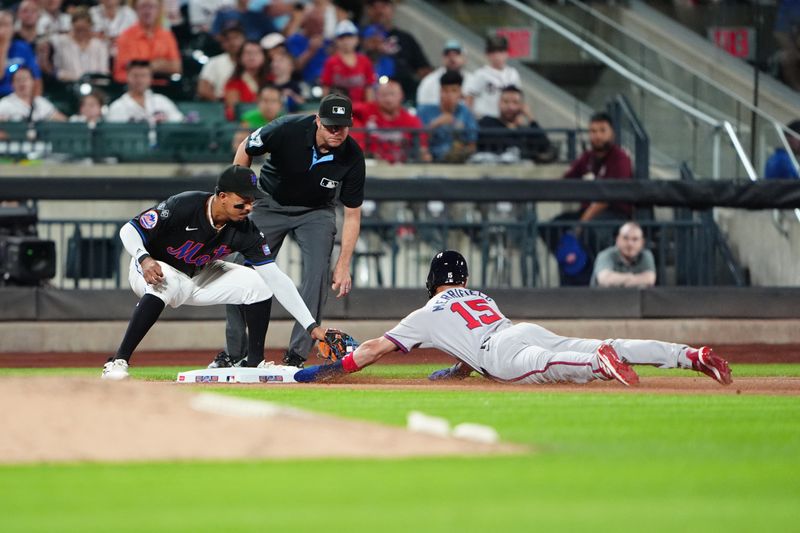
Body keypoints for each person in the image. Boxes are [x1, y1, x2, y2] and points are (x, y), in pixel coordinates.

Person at [294, 250, 733, 387]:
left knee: (553, 368)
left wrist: (325, 370)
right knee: (606, 343)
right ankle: (690, 355)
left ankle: (598, 364)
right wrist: (456, 369)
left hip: (499, 351)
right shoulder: (480, 294)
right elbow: (466, 335)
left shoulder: (427, 312)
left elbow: (370, 351)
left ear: (432, 280)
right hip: (517, 329)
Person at [101, 164, 329, 380]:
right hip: (154, 269)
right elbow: (130, 229)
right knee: (166, 283)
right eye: (243, 201)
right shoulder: (184, 205)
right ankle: (118, 361)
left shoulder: (245, 230)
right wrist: (144, 258)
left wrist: (311, 325)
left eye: (252, 201)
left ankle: (254, 363)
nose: (249, 207)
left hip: (199, 274)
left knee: (258, 284)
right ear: (222, 196)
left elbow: (277, 279)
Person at [211, 93, 365, 369]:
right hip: (270, 202)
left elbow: (352, 214)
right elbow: (247, 146)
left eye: (341, 126)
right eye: (330, 125)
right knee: (237, 268)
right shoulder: (286, 128)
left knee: (318, 273)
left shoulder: (352, 156)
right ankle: (234, 353)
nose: (335, 132)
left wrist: (344, 264)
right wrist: (240, 197)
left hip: (316, 211)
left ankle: (296, 357)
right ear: (317, 120)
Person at [542, 111, 634, 286]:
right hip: (587, 213)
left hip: (615, 214)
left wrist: (581, 224)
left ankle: (594, 278)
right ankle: (573, 266)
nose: (597, 135)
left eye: (602, 130)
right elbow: (566, 180)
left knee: (590, 231)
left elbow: (607, 198)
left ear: (612, 133)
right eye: (593, 131)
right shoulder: (587, 157)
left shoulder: (620, 158)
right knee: (552, 227)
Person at [352, 77, 430, 163]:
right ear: (377, 96)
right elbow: (346, 110)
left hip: (402, 167)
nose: (388, 99)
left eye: (392, 94)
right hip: (371, 165)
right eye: (384, 95)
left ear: (401, 95)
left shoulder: (412, 120)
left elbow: (422, 149)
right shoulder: (366, 110)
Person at [364, 0, 430, 99]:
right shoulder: (358, 36)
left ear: (392, 9)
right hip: (367, 93)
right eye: (374, 6)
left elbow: (424, 69)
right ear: (368, 10)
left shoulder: (405, 38)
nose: (379, 10)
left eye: (384, 5)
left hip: (403, 96)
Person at [476, 85, 555, 164]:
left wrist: (531, 118)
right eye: (505, 102)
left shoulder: (526, 131)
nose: (510, 107)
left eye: (515, 102)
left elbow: (544, 146)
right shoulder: (487, 122)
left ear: (522, 106)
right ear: (499, 103)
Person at [113, 0, 181, 84]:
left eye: (152, 7)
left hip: (163, 89)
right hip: (132, 87)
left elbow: (176, 68)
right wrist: (156, 65)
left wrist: (143, 67)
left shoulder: (167, 36)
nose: (147, 11)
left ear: (159, 10)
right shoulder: (125, 37)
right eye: (143, 7)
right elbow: (119, 72)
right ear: (135, 9)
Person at [417, 70, 477, 162]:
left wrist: (461, 153)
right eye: (445, 90)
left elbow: (472, 145)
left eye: (454, 90)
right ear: (440, 91)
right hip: (431, 162)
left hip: (459, 163)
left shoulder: (466, 113)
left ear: (460, 93)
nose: (449, 95)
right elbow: (416, 141)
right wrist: (435, 124)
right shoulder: (425, 111)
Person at [464, 35, 521, 120]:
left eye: (501, 51)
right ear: (487, 54)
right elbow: (469, 99)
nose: (497, 56)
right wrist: (469, 120)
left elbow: (519, 100)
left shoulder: (513, 74)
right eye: (493, 52)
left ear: (507, 53)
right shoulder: (481, 74)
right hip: (485, 119)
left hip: (507, 120)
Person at [106, 60, 183, 123]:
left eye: (144, 76)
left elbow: (179, 123)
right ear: (127, 77)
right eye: (135, 76)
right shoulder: (117, 107)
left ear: (150, 78)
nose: (140, 80)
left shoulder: (162, 101)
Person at [44, 8, 109, 82]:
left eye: (84, 29)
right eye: (78, 30)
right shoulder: (61, 42)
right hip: (68, 85)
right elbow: (43, 41)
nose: (81, 33)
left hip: (96, 86)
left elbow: (104, 72)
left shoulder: (99, 45)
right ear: (72, 26)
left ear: (90, 27)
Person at [320, 19, 376, 103]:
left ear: (357, 39)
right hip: (338, 108)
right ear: (337, 41)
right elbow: (326, 88)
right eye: (342, 38)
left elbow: (369, 88)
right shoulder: (331, 62)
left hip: (360, 109)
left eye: (350, 37)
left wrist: (369, 109)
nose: (346, 41)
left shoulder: (365, 61)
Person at [591, 222, 656, 288]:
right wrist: (634, 278)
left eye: (635, 239)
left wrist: (618, 280)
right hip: (604, 297)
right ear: (617, 240)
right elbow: (604, 280)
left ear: (642, 242)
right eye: (625, 238)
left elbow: (649, 279)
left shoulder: (646, 255)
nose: (630, 244)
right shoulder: (605, 255)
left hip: (634, 298)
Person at [416, 39, 472, 107]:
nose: (452, 58)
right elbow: (422, 108)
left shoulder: (473, 81)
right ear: (442, 57)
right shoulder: (429, 81)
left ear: (464, 58)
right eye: (447, 54)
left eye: (456, 54)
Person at [196, 24, 245, 101]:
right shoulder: (214, 62)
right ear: (222, 43)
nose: (233, 42)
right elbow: (203, 89)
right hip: (221, 105)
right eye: (228, 39)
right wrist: (221, 104)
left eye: (236, 37)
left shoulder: (252, 61)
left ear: (244, 39)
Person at [222, 40, 269, 121]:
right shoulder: (233, 83)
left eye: (257, 52)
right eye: (248, 53)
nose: (252, 56)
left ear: (264, 57)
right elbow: (235, 111)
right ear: (240, 58)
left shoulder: (271, 80)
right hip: (245, 125)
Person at [0, 10, 42, 98]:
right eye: (0, 24)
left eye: (6, 25)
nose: (2, 29)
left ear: (13, 28)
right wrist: (3, 46)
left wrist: (35, 104)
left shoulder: (22, 47)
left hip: (21, 98)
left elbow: (36, 79)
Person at [0, 65, 65, 121]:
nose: (22, 83)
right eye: (18, 80)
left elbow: (62, 120)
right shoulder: (5, 103)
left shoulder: (40, 102)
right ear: (12, 84)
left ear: (33, 82)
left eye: (25, 79)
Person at [285, 7, 329, 86]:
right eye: (316, 23)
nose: (320, 27)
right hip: (303, 82)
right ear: (305, 23)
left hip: (325, 83)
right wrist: (310, 50)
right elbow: (296, 67)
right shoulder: (294, 40)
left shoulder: (327, 42)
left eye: (322, 23)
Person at [774, 0, 800, 92]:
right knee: (786, 57)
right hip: (794, 48)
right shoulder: (790, 4)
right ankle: (796, 90)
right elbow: (780, 33)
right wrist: (793, 50)